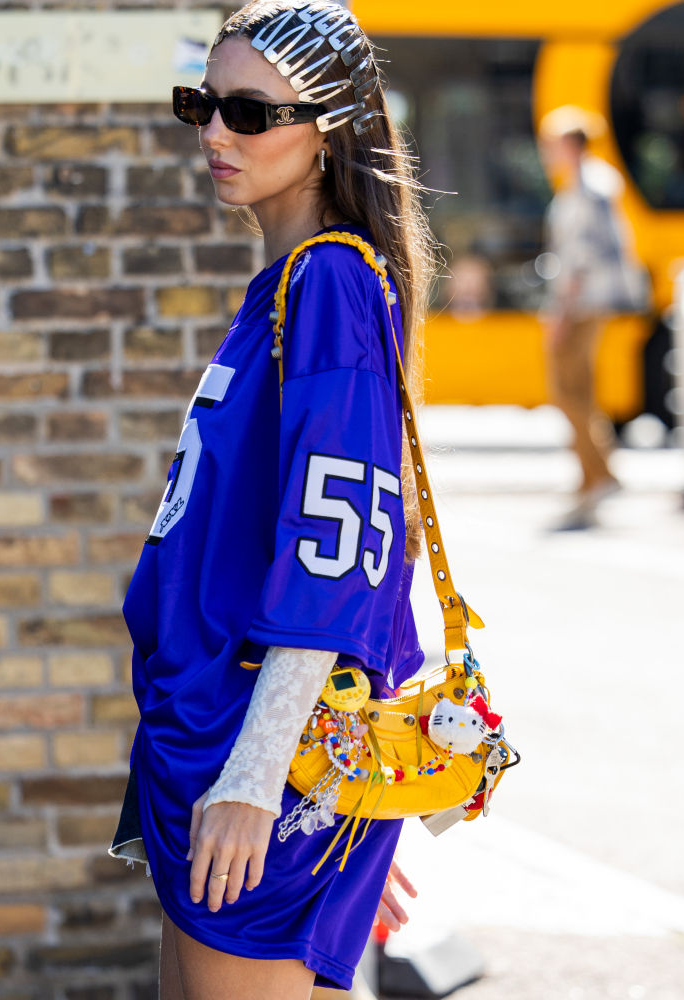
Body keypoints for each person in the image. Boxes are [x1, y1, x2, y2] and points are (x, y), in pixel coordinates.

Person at [108, 3, 433, 997]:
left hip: (249, 758)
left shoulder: (331, 281)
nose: (215, 133)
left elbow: (340, 550)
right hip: (204, 741)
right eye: (201, 104)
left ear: (328, 126)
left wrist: (265, 779)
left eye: (249, 113)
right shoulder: (286, 285)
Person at [537, 106, 647, 529]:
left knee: (568, 389)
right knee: (575, 390)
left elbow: (582, 260)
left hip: (582, 305)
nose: (547, 152)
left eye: (551, 144)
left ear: (569, 144)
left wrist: (561, 313)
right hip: (581, 303)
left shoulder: (590, 187)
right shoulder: (588, 184)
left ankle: (599, 476)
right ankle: (594, 477)